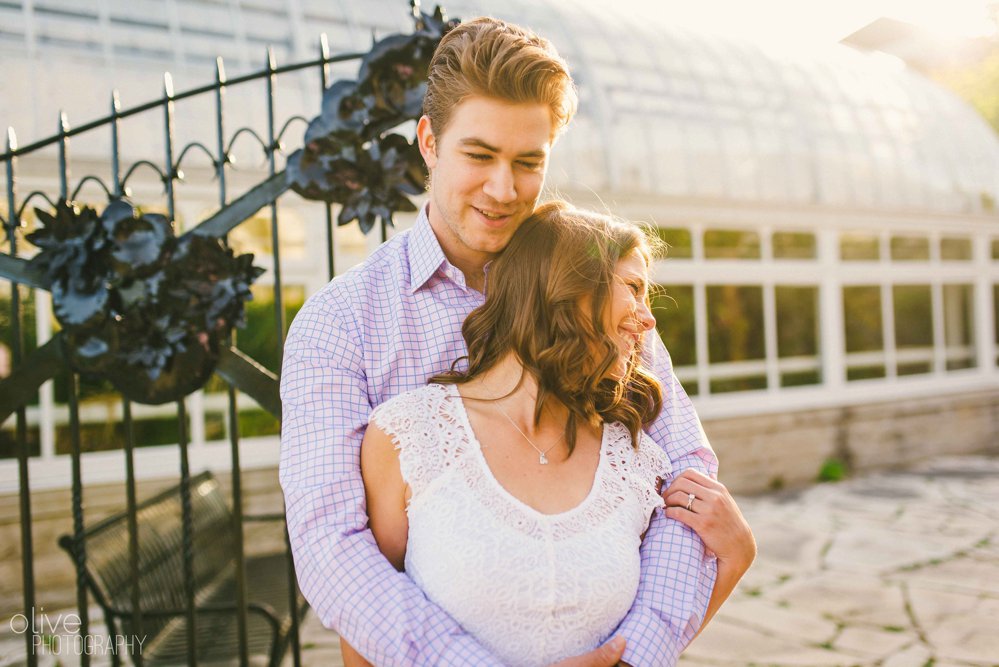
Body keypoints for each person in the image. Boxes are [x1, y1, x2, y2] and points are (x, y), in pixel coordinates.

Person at [280, 16, 755, 667]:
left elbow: (684, 467)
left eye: (527, 162)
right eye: (478, 155)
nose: (503, 190)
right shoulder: (341, 321)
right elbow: (331, 547)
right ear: (428, 141)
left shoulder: (593, 283)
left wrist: (637, 648)